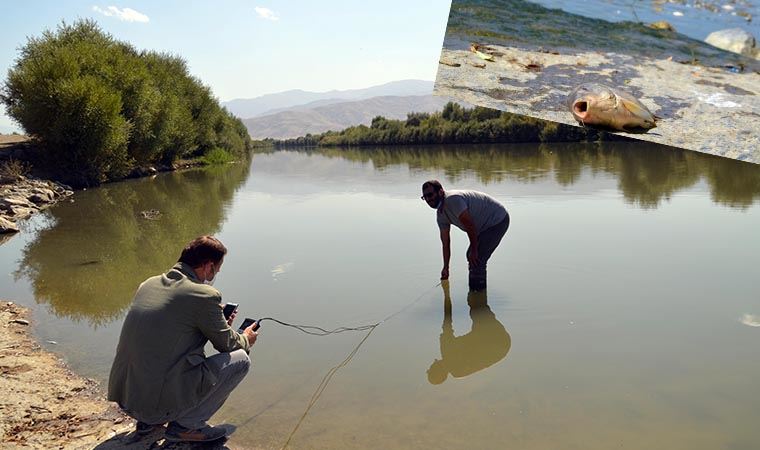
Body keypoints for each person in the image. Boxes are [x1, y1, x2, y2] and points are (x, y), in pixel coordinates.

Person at [107, 235, 259, 443]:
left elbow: (171, 333)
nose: (216, 273)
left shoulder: (148, 284)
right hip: (153, 409)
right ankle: (187, 427)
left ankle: (149, 423)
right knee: (241, 359)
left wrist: (214, 320)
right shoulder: (205, 295)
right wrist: (246, 337)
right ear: (208, 266)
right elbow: (228, 345)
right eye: (217, 268)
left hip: (127, 400)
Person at [421, 180, 510, 290]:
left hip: (497, 220)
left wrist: (474, 250)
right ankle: (475, 291)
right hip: (481, 227)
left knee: (477, 258)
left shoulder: (453, 200)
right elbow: (445, 243)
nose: (428, 199)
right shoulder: (441, 215)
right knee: (472, 256)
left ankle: (478, 298)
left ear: (440, 192)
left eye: (430, 195)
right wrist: (446, 267)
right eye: (425, 197)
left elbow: (470, 226)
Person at [427, 282, 511, 385]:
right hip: (497, 342)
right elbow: (447, 320)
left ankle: (479, 294)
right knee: (475, 306)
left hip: (503, 347)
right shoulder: (447, 352)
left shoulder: (457, 372)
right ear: (435, 368)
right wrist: (446, 295)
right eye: (430, 368)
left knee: (476, 313)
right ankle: (479, 292)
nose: (431, 364)